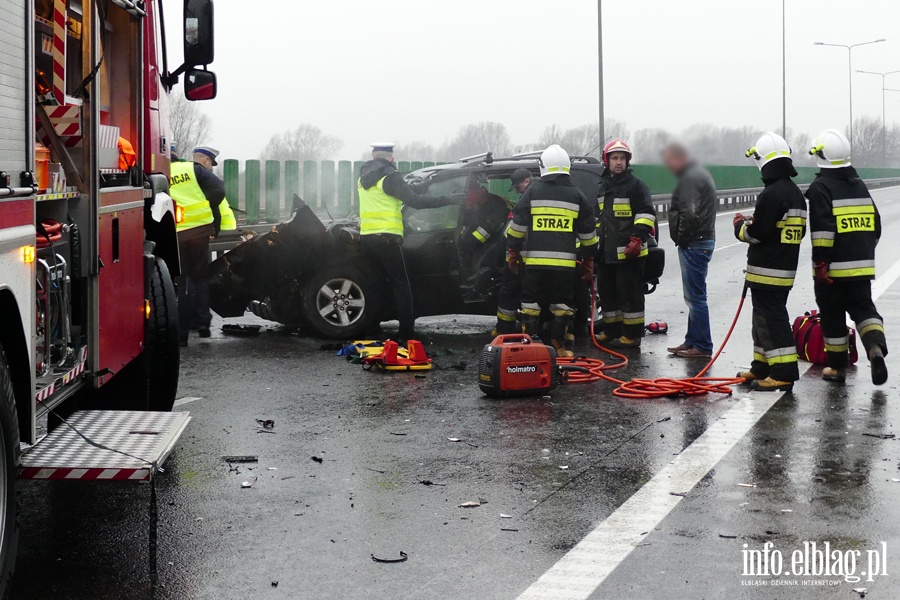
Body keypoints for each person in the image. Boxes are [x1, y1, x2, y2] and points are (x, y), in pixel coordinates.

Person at [806, 129, 887, 385]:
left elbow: (822, 232)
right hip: (861, 268)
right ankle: (874, 346)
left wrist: (821, 264)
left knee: (832, 315)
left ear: (821, 156)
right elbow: (876, 226)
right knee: (864, 308)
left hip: (832, 269)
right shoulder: (860, 185)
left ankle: (837, 368)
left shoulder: (821, 187)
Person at [358, 143, 457, 343]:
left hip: (367, 238)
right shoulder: (390, 177)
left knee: (374, 286)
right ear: (391, 158)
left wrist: (417, 187)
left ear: (373, 156)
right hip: (387, 239)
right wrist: (448, 199)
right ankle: (405, 334)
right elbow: (415, 201)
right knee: (401, 286)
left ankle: (370, 330)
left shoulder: (364, 178)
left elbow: (396, 192)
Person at [506, 145, 598, 357]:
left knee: (530, 303)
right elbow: (588, 234)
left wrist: (513, 253)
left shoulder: (533, 192)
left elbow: (518, 227)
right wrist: (588, 260)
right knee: (562, 304)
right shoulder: (577, 195)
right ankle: (559, 346)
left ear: (542, 167)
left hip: (534, 265)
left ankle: (528, 346)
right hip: (564, 267)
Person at [735, 132, 807, 391]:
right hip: (784, 270)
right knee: (761, 321)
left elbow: (757, 233)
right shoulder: (795, 193)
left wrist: (740, 228)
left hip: (767, 271)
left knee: (772, 321)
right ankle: (762, 367)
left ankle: (784, 372)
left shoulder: (772, 193)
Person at [594, 139, 656, 349]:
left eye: (622, 158)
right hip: (607, 253)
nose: (618, 162)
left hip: (630, 254)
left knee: (630, 296)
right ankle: (612, 331)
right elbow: (599, 218)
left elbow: (646, 214)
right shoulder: (602, 186)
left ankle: (632, 335)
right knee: (608, 295)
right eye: (614, 158)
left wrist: (637, 239)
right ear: (607, 160)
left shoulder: (636, 186)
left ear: (628, 162)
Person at [169, 145, 229, 346]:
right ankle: (202, 324)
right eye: (211, 164)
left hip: (174, 235)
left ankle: (181, 335)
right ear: (204, 160)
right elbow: (218, 190)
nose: (210, 167)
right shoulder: (194, 170)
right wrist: (205, 205)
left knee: (181, 284)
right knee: (200, 278)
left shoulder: (163, 171)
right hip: (198, 234)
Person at [663, 142, 717, 359]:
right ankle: (692, 340)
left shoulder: (690, 178)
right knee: (693, 296)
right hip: (700, 240)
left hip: (695, 242)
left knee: (696, 297)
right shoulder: (698, 174)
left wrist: (681, 239)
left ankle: (702, 345)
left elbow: (690, 213)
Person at [493, 168, 533, 334]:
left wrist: (510, 254)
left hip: (522, 256)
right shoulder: (536, 195)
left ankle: (505, 330)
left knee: (509, 291)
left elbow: (515, 231)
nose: (517, 191)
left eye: (518, 187)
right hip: (528, 256)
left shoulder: (529, 198)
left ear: (526, 181)